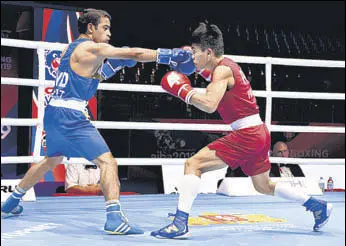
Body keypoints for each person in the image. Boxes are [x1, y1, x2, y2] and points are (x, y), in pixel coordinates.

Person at [1, 8, 195, 235]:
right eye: (105, 28)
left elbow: (93, 76)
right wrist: (168, 55)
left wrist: (114, 65)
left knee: (51, 160)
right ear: (91, 28)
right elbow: (134, 53)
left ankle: (12, 201)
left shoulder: (71, 49)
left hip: (54, 112)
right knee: (108, 163)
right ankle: (114, 217)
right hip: (71, 116)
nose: (109, 33)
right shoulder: (92, 47)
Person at [151, 22, 332, 239]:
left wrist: (183, 91)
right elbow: (209, 76)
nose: (194, 57)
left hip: (248, 134)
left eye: (196, 52)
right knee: (263, 185)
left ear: (209, 52)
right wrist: (191, 63)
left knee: (193, 164)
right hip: (257, 132)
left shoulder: (222, 71)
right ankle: (317, 205)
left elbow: (209, 104)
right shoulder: (226, 66)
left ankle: (180, 223)